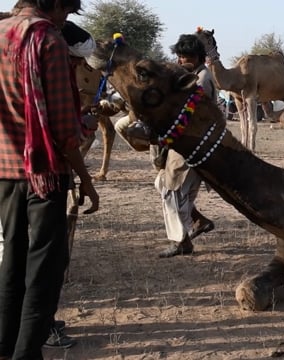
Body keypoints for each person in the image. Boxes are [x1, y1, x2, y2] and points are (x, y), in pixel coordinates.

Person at [0, 0, 100, 358]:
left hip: (5, 168)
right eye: (66, 10)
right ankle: (27, 352)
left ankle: (5, 343)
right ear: (52, 2)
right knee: (45, 266)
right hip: (44, 173)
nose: (65, 19)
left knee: (12, 256)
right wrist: (86, 181)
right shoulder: (48, 40)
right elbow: (62, 131)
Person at [118, 34, 215, 258]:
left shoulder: (201, 80)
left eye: (186, 56)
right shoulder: (190, 76)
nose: (181, 60)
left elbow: (188, 113)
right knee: (167, 186)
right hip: (185, 143)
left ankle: (180, 241)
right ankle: (195, 223)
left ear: (197, 56)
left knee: (172, 190)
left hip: (190, 142)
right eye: (179, 56)